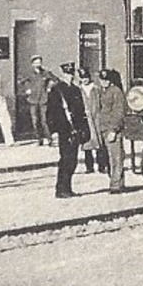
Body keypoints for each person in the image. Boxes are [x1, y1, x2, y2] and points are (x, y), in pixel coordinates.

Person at [46, 61, 90, 199]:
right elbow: (51, 113)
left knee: (73, 161)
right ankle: (61, 189)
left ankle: (68, 188)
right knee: (65, 160)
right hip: (64, 130)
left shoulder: (76, 90)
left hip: (75, 130)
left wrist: (84, 129)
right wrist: (53, 131)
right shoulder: (57, 90)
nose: (69, 76)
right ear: (62, 74)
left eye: (71, 74)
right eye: (67, 74)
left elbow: (81, 111)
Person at [94, 69, 128, 193]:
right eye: (102, 80)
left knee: (116, 158)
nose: (104, 82)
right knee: (108, 158)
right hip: (102, 128)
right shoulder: (100, 91)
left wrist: (114, 130)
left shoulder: (116, 92)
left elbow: (119, 112)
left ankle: (116, 185)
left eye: (106, 79)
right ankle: (118, 182)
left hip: (111, 129)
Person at [77, 67, 105, 174]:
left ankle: (101, 165)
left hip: (97, 118)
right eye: (82, 78)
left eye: (86, 77)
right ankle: (89, 166)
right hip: (86, 120)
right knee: (87, 143)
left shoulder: (96, 88)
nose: (85, 80)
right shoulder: (79, 90)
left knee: (99, 143)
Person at [20, 55, 53, 145]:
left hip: (43, 99)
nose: (38, 64)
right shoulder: (29, 73)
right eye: (36, 62)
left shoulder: (45, 72)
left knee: (44, 120)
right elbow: (21, 81)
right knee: (35, 120)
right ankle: (39, 139)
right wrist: (27, 89)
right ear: (32, 64)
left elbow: (53, 80)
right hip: (33, 100)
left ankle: (49, 139)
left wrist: (49, 87)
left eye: (39, 62)